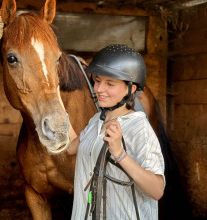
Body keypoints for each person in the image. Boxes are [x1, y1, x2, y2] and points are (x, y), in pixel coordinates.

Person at [67, 44, 165, 220]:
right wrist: (59, 116)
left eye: (110, 83)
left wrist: (120, 153)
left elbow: (157, 190)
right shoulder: (96, 120)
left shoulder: (139, 128)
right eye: (97, 80)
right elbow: (71, 148)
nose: (98, 89)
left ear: (131, 88)